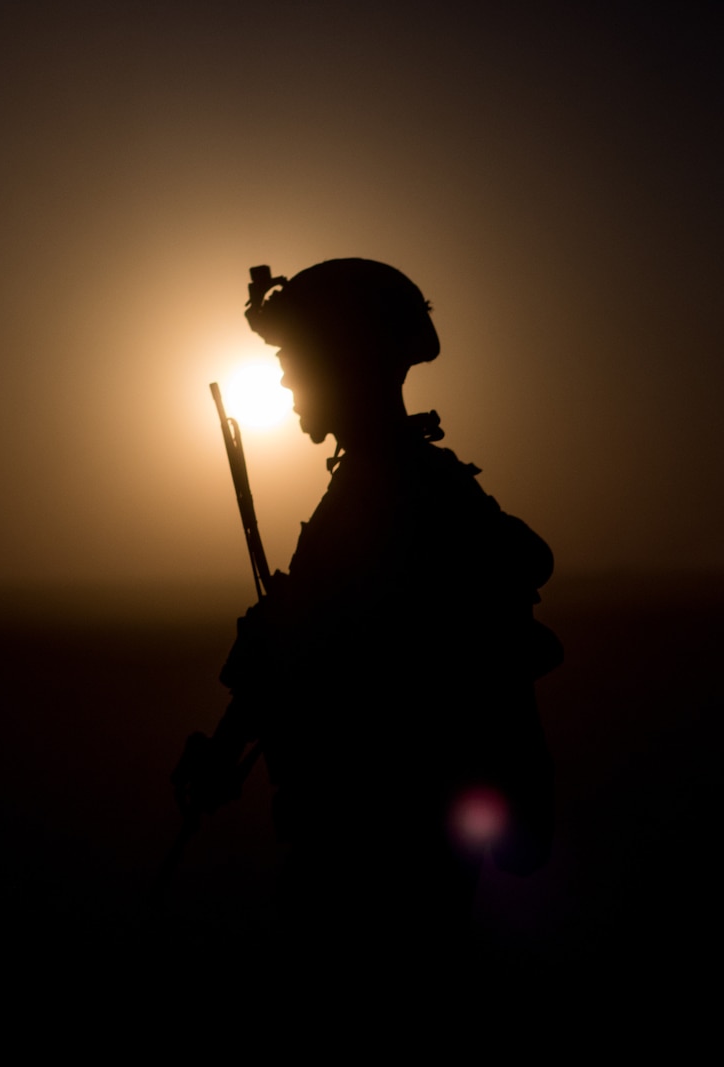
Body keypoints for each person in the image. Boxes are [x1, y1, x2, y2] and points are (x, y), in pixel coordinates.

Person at [172, 259, 561, 960]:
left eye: (296, 356)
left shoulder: (396, 495)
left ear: (346, 358)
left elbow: (337, 659)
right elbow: (297, 637)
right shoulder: (386, 486)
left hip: (382, 844)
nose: (285, 378)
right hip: (370, 836)